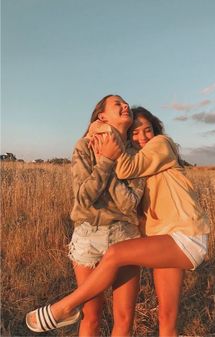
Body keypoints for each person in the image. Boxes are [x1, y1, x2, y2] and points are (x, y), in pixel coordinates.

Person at [26, 106, 210, 337]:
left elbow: (124, 169)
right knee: (167, 320)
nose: (143, 137)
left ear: (156, 131)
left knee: (115, 254)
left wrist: (109, 140)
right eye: (135, 132)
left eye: (148, 130)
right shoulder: (141, 159)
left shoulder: (161, 144)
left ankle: (64, 308)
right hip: (163, 240)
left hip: (186, 235)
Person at [26, 95, 146, 337]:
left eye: (125, 103)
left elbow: (129, 203)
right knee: (91, 314)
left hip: (126, 237)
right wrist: (105, 160)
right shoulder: (84, 146)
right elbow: (82, 199)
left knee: (124, 317)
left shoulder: (137, 154)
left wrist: (111, 157)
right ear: (101, 116)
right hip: (90, 236)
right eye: (117, 104)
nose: (125, 106)